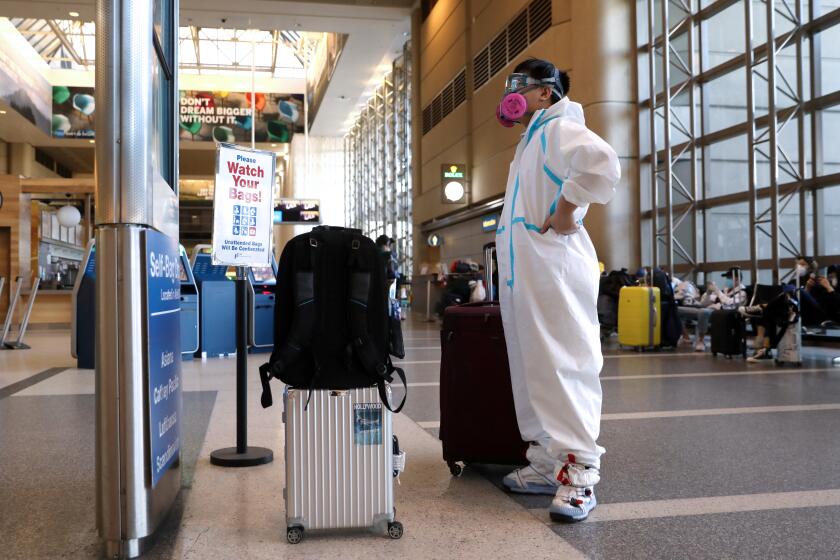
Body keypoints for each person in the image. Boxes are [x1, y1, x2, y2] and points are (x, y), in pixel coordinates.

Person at [494, 58, 620, 522]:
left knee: (564, 365)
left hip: (554, 268)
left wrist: (568, 208)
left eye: (519, 87)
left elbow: (602, 164)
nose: (511, 97)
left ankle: (580, 474)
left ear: (545, 92)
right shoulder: (531, 139)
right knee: (534, 368)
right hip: (527, 271)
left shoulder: (558, 128)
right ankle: (548, 461)